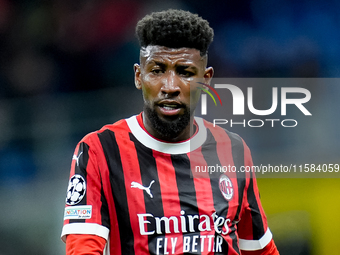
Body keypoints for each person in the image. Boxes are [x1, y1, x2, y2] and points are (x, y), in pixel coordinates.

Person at [61, 9, 279, 255]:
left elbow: (260, 249)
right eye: (157, 70)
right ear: (138, 76)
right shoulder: (100, 150)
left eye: (185, 72)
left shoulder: (233, 149)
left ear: (205, 80)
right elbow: (83, 248)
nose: (170, 86)